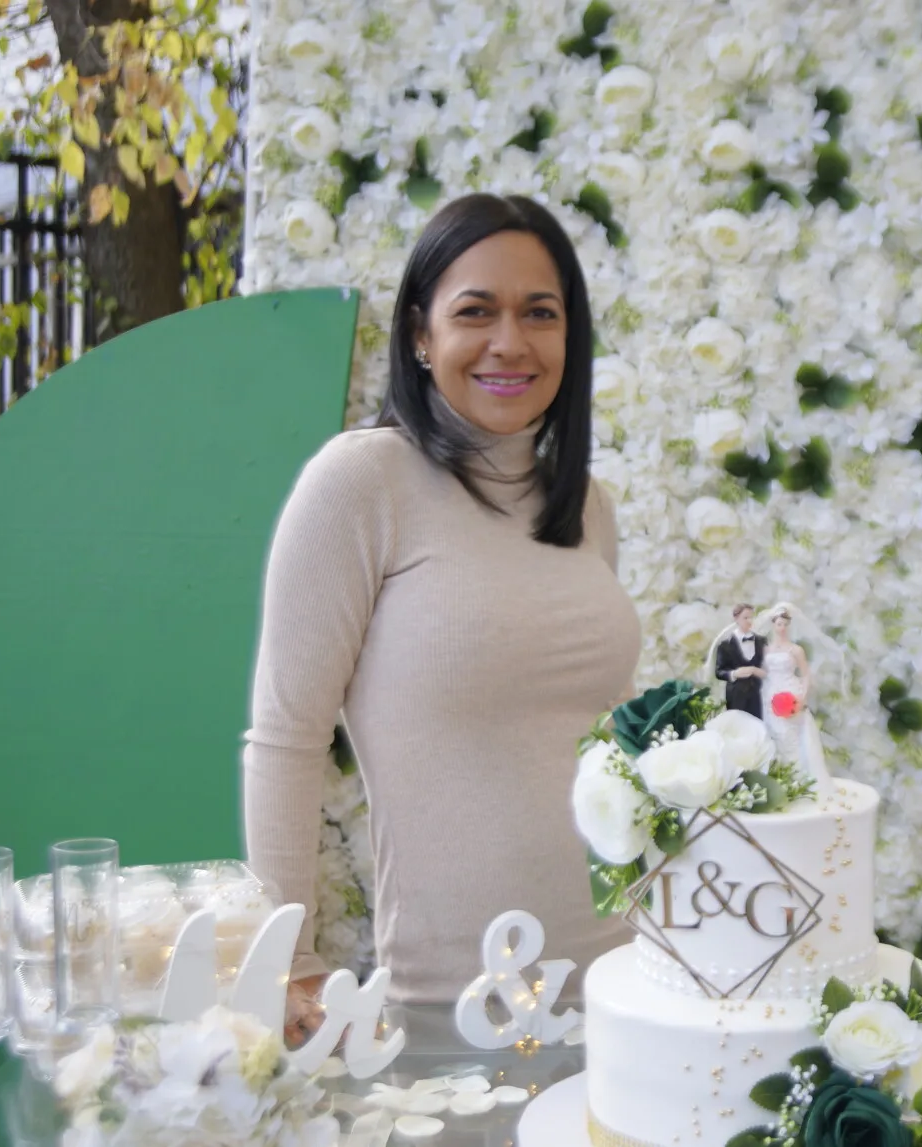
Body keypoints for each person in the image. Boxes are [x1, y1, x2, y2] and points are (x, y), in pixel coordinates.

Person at [241, 194, 641, 1044]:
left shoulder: (586, 509)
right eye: (475, 312)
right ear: (421, 336)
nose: (510, 341)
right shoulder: (362, 483)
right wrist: (287, 959)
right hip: (452, 1004)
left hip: (622, 977)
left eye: (541, 312)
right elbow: (286, 735)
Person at [756, 604, 836, 794]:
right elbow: (764, 672)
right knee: (773, 733)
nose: (781, 627)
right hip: (770, 694)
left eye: (785, 624)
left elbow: (806, 675)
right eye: (779, 624)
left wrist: (801, 697)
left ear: (788, 626)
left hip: (790, 692)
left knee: (790, 735)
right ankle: (777, 778)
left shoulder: (796, 650)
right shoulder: (766, 650)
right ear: (773, 625)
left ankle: (797, 777)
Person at [712, 603, 766, 719]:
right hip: (736, 695)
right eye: (745, 618)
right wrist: (734, 673)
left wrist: (759, 672)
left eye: (752, 617)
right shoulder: (725, 645)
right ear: (736, 618)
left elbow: (768, 664)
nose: (749, 621)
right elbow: (719, 672)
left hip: (759, 693)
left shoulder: (761, 641)